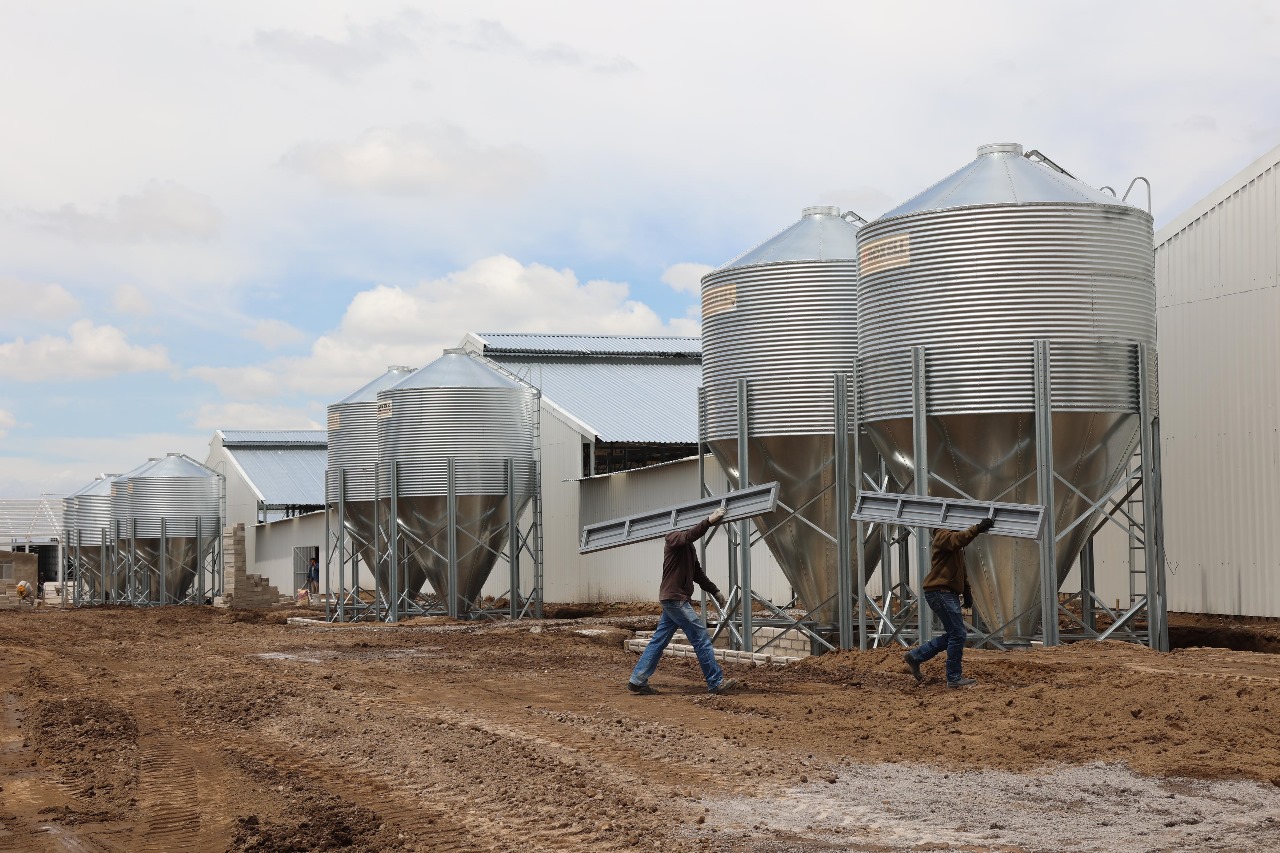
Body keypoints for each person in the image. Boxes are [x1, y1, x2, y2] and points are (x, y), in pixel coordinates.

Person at [628, 506, 740, 696]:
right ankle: (715, 682)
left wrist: (716, 591)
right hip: (675, 599)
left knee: (658, 641)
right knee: (701, 638)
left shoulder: (689, 547)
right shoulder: (673, 537)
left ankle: (637, 680)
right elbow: (689, 535)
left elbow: (697, 574)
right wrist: (709, 521)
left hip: (673, 599)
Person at [904, 517, 995, 688]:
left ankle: (916, 656)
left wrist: (967, 592)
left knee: (955, 634)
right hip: (940, 592)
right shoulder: (942, 536)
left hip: (946, 593)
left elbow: (962, 571)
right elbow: (958, 539)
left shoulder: (956, 548)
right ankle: (953, 678)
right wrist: (977, 528)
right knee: (958, 634)